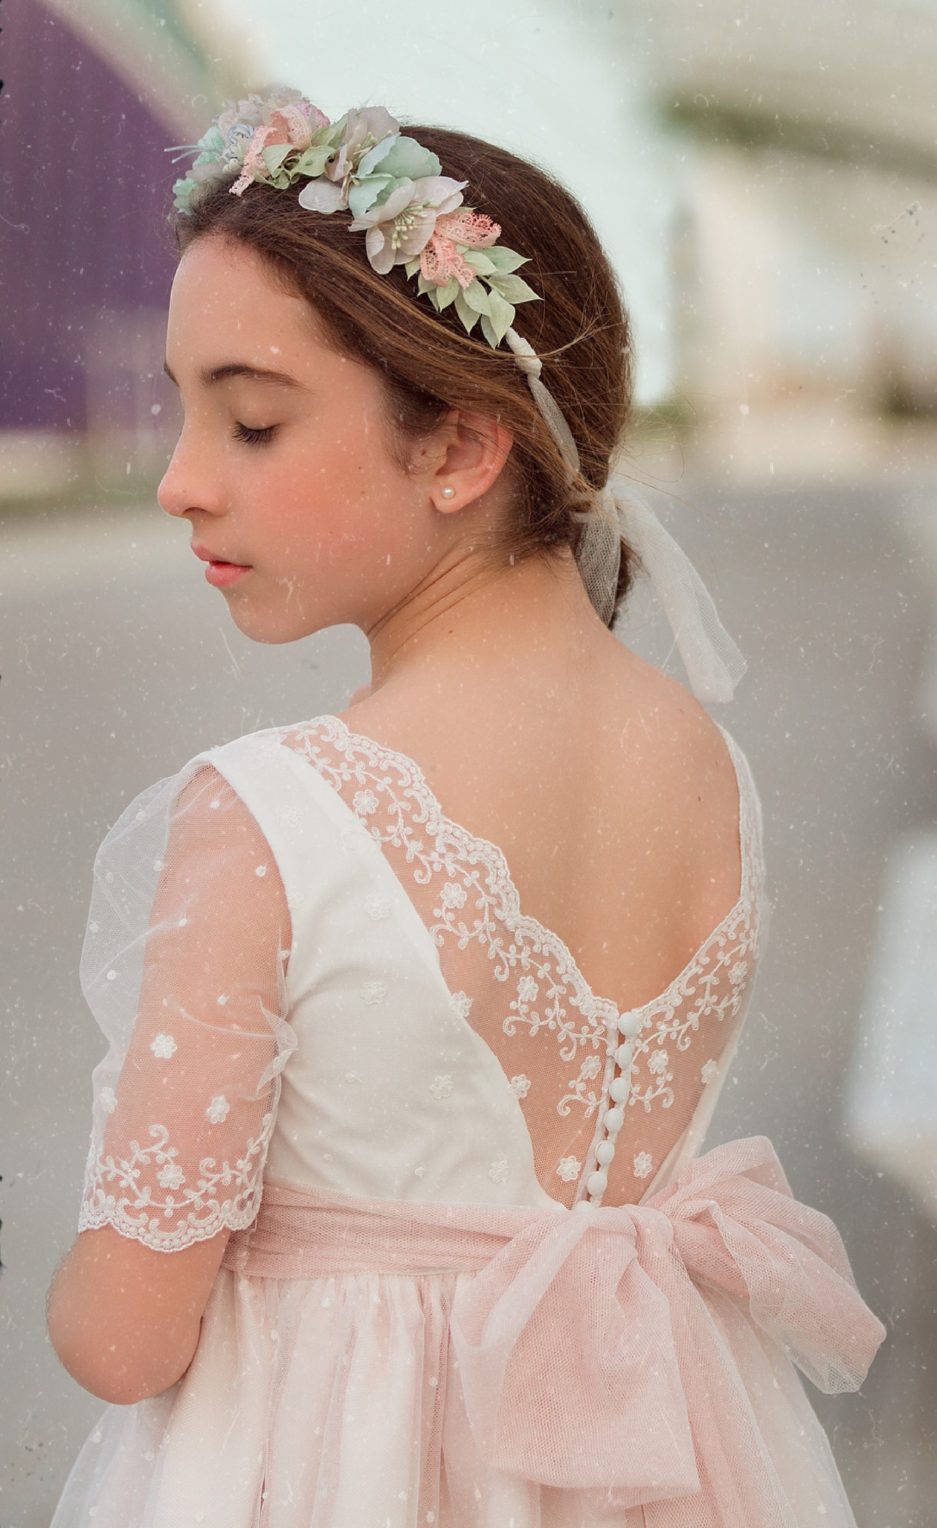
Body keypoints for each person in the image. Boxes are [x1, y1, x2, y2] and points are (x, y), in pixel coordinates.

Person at [45, 88, 886, 1526]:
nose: (183, 484)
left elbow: (128, 1338)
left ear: (458, 447)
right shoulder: (706, 772)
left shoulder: (273, 819)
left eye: (250, 422)